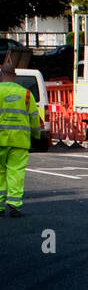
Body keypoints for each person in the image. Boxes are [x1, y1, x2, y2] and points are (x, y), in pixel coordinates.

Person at [0, 57, 44, 217]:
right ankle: (14, 204)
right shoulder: (25, 94)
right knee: (16, 172)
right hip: (19, 141)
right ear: (15, 75)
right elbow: (34, 117)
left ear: (1, 74)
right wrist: (37, 135)